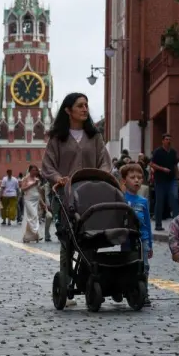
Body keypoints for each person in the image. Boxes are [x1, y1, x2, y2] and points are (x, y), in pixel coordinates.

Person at [41, 93, 111, 282]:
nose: (85, 109)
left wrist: (102, 176)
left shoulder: (94, 136)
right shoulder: (57, 138)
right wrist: (58, 178)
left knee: (90, 236)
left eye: (86, 105)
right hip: (66, 196)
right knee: (68, 240)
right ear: (68, 110)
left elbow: (105, 162)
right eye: (80, 105)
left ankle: (89, 276)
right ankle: (66, 278)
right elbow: (47, 166)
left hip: (91, 194)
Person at [118, 161, 153, 305]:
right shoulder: (121, 199)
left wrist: (150, 244)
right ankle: (124, 288)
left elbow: (148, 224)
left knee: (144, 266)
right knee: (127, 264)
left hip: (142, 239)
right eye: (132, 177)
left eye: (139, 177)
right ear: (124, 181)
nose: (137, 180)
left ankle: (143, 292)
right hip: (126, 238)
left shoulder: (143, 201)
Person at [149, 133, 179, 229]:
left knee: (174, 199)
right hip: (160, 180)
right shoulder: (158, 151)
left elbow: (175, 165)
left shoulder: (173, 152)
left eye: (169, 139)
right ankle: (158, 225)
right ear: (162, 141)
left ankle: (176, 225)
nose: (168, 141)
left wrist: (177, 177)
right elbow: (152, 164)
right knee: (160, 202)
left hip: (172, 180)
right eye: (166, 139)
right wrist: (162, 169)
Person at [20, 164, 43, 243]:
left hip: (36, 200)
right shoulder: (25, 179)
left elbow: (39, 192)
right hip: (28, 200)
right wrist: (33, 184)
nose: (35, 172)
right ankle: (36, 233)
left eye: (36, 170)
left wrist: (42, 203)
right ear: (29, 171)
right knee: (34, 216)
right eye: (33, 170)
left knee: (31, 218)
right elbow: (23, 189)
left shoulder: (37, 179)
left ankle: (29, 237)